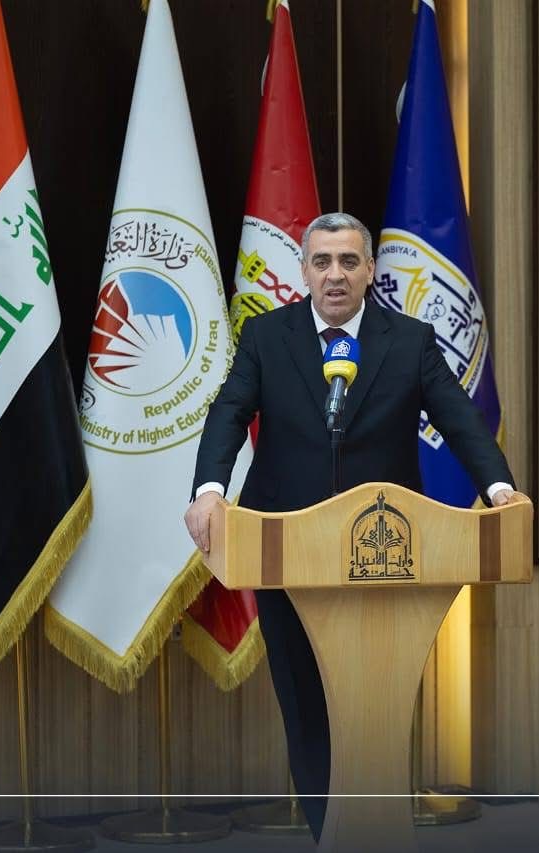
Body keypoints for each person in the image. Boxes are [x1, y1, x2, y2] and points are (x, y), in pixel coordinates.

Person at [184, 211, 518, 840]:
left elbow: (460, 419)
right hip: (284, 551)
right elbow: (229, 412)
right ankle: (331, 835)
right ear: (305, 271)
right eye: (322, 262)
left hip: (384, 553)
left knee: (374, 710)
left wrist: (500, 491)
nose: (334, 274)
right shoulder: (266, 336)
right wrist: (209, 491)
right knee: (306, 707)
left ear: (369, 271)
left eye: (347, 261)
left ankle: (373, 830)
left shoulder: (410, 341)